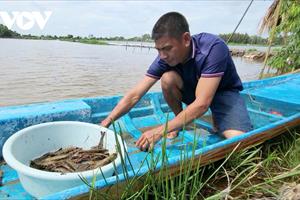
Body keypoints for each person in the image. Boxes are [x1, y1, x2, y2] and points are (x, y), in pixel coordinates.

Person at [101, 12, 252, 151]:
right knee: (168, 79)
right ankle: (180, 122)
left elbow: (202, 104)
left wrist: (160, 130)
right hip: (196, 91)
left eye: (167, 48)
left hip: (222, 93)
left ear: (186, 39)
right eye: (158, 50)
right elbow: (135, 94)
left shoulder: (213, 48)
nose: (162, 56)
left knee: (238, 141)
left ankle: (205, 119)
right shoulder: (164, 58)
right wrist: (107, 122)